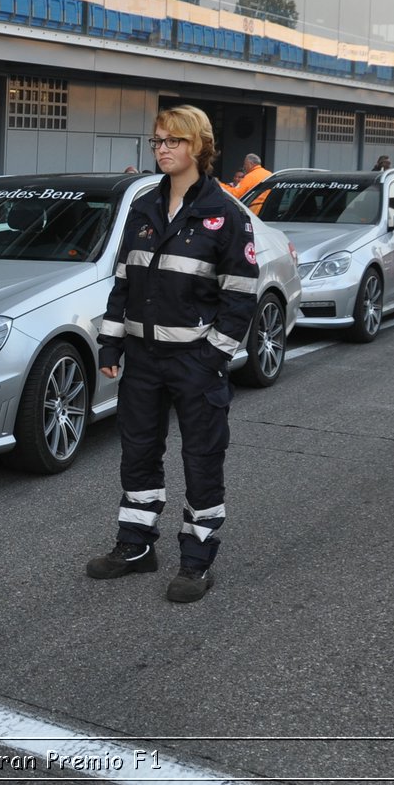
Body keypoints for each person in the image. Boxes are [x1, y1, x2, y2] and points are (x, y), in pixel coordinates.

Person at [86, 105, 258, 603]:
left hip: (194, 363)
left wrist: (212, 358)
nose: (162, 149)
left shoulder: (226, 214)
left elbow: (240, 298)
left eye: (173, 141)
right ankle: (136, 546)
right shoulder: (143, 207)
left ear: (199, 147)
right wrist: (111, 342)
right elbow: (124, 281)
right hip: (141, 360)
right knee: (138, 454)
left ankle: (198, 561)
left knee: (202, 458)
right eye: (158, 140)